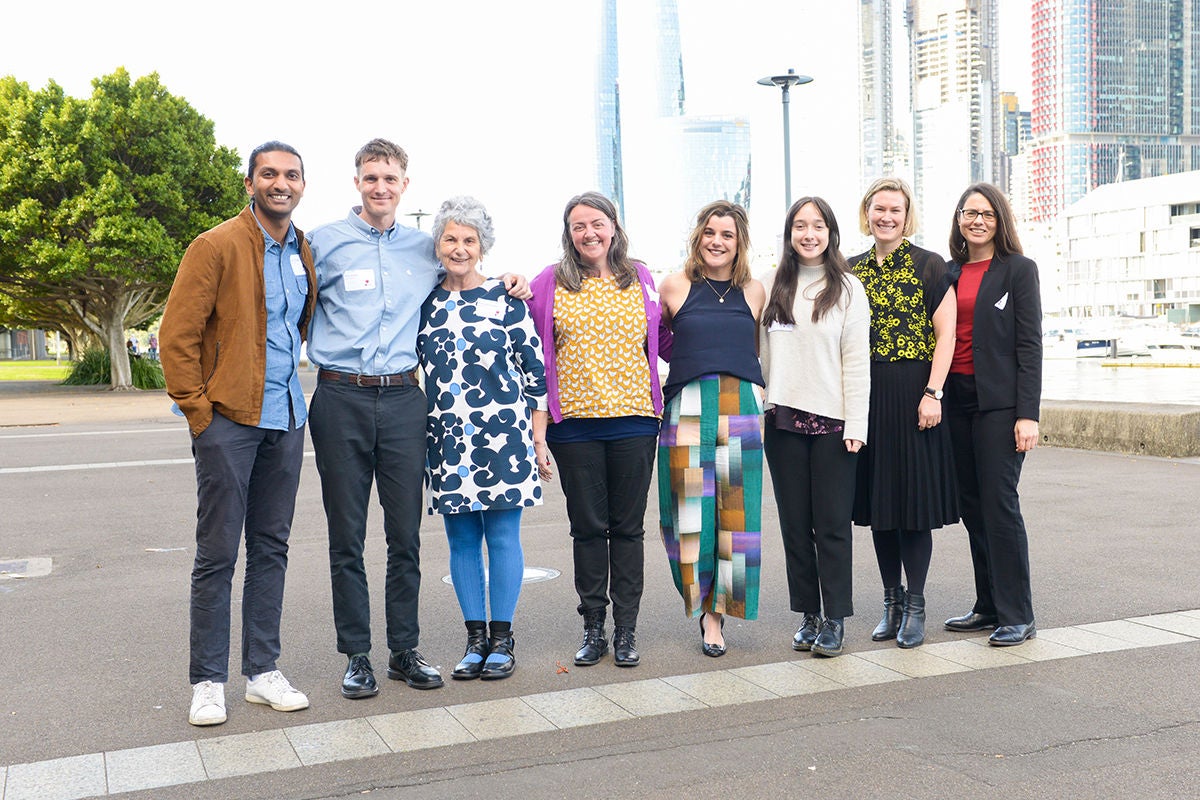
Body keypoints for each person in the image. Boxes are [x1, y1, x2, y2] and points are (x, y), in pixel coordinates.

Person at [306, 139, 529, 699]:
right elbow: (292, 310)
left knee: (405, 535)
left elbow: (468, 272)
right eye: (371, 177)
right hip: (340, 398)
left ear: (406, 184)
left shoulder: (421, 249)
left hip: (406, 402)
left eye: (391, 178)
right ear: (357, 180)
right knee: (347, 538)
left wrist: (512, 280)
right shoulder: (322, 244)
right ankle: (358, 655)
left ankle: (404, 650)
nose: (381, 187)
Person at [160, 141, 315, 726]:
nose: (282, 183)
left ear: (303, 184)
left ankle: (262, 671)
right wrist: (201, 417)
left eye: (292, 175)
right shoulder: (215, 244)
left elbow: (297, 327)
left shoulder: (302, 248)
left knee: (271, 548)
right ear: (249, 183)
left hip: (287, 419)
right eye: (269, 174)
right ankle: (206, 681)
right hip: (229, 421)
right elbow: (176, 337)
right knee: (218, 553)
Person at [527, 191, 671, 668]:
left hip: (635, 421)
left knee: (628, 530)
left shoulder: (642, 277)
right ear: (568, 234)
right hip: (577, 428)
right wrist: (539, 427)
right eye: (578, 226)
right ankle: (593, 627)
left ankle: (626, 631)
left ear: (614, 225)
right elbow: (525, 340)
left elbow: (667, 335)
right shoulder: (551, 281)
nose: (589, 233)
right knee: (588, 530)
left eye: (597, 223)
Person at [416, 196, 548, 681]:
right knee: (462, 540)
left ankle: (503, 639)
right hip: (448, 437)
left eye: (469, 239)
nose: (459, 247)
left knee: (503, 535)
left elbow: (535, 376)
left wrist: (538, 442)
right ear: (438, 244)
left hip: (505, 436)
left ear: (482, 246)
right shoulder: (425, 303)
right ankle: (475, 640)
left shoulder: (506, 299)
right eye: (450, 238)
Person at [848, 178, 959, 649]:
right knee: (880, 506)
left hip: (916, 394)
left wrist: (933, 392)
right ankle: (891, 601)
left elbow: (946, 334)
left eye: (895, 209)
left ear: (906, 215)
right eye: (879, 209)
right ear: (867, 213)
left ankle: (916, 603)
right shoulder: (850, 270)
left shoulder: (930, 265)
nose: (886, 217)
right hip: (867, 396)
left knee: (912, 507)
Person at [759, 196, 870, 658]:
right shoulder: (769, 286)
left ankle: (836, 619)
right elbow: (748, 348)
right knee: (794, 525)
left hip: (833, 424)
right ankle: (808, 614)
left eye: (817, 225)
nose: (809, 234)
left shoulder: (847, 288)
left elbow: (856, 361)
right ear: (789, 234)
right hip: (782, 421)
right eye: (800, 226)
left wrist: (857, 422)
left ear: (830, 233)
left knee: (831, 526)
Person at [657, 201, 765, 657]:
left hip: (740, 405)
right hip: (686, 405)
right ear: (698, 236)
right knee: (687, 515)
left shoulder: (754, 290)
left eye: (727, 235)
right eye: (710, 233)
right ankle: (702, 604)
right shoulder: (674, 286)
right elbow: (655, 342)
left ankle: (719, 615)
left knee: (735, 517)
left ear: (739, 242)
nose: (717, 242)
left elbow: (761, 346)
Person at [942, 182, 1042, 646]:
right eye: (969, 213)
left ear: (999, 220)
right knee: (972, 508)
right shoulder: (947, 272)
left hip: (1000, 407)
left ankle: (1018, 613)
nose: (977, 220)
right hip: (954, 403)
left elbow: (1029, 346)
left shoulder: (1018, 271)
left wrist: (1028, 414)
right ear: (959, 220)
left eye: (986, 213)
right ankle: (988, 605)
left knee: (1000, 506)